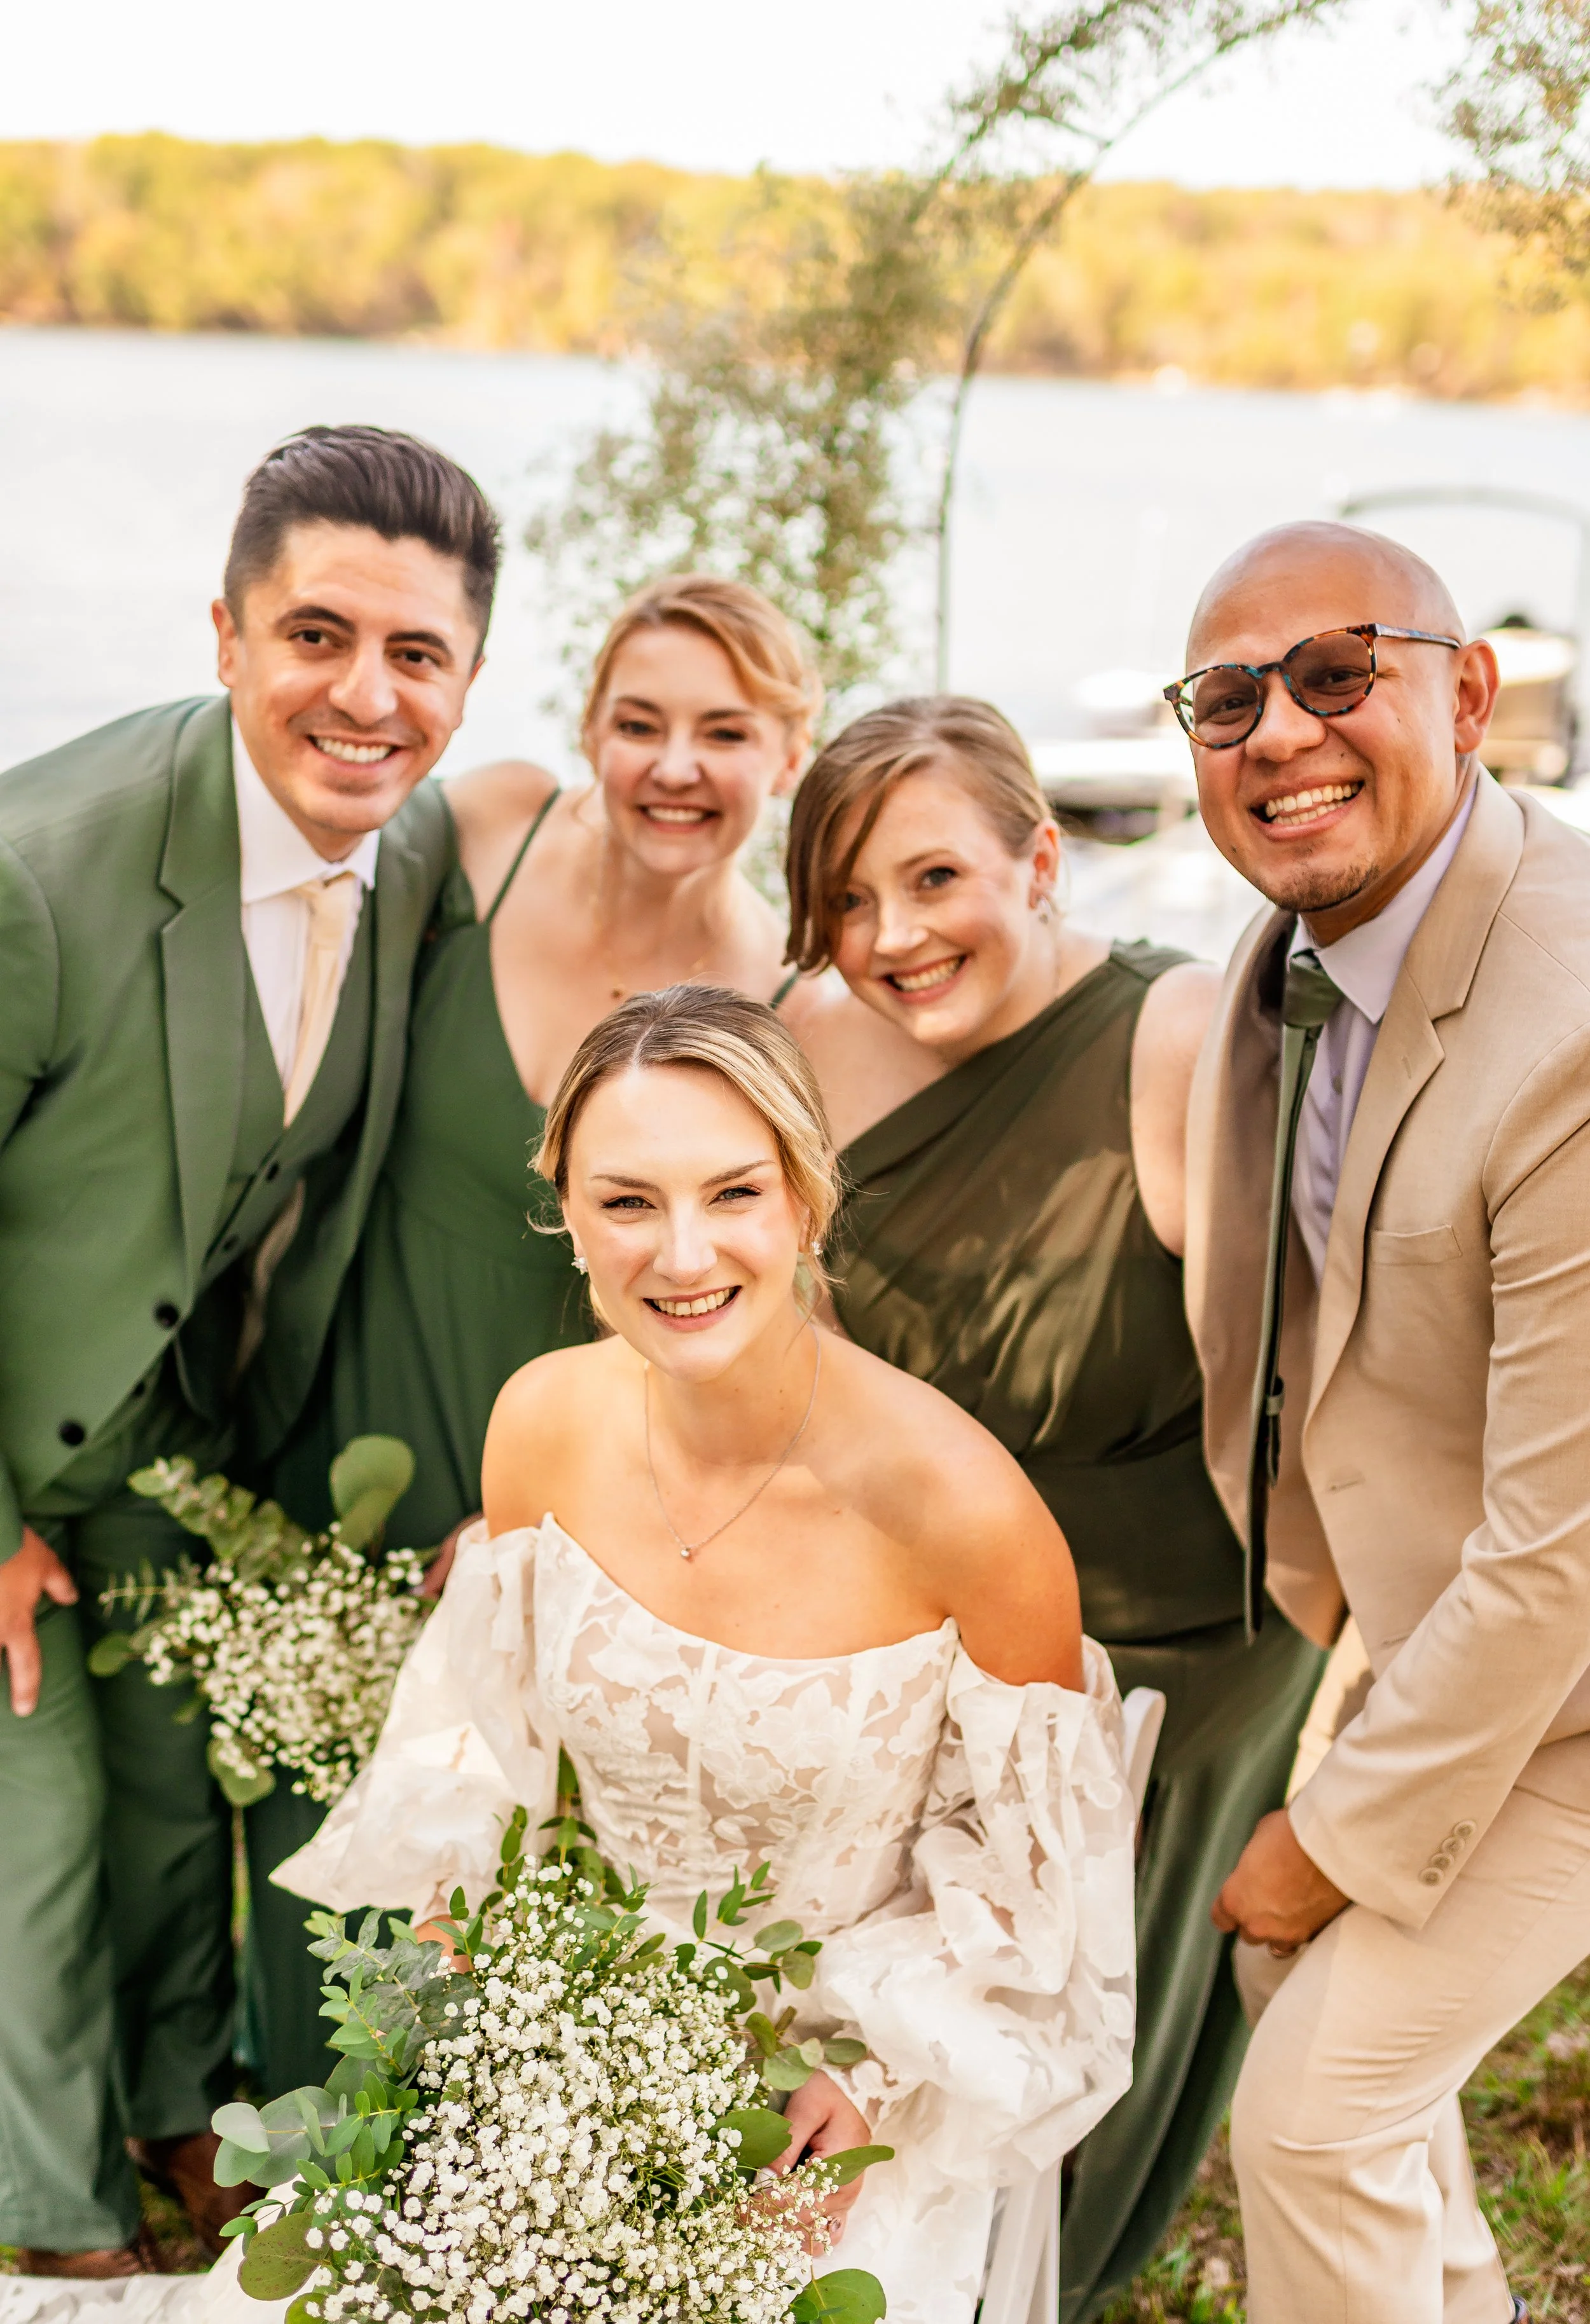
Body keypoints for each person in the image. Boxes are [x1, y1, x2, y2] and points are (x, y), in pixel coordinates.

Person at [265, 984, 1137, 2324]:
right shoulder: (540, 1424)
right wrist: (480, 1979)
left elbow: (1031, 1890)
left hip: (832, 2098)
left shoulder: (965, 1511)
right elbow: (497, 1746)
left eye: (734, 1193)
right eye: (627, 1202)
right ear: (566, 1214)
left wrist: (869, 2081)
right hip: (565, 2050)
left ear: (807, 1199)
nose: (682, 1256)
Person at [0, 424, 495, 2275]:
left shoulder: (416, 842)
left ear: (467, 678)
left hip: (157, 1426)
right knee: (38, 1818)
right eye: (315, 636)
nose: (366, 696)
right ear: (224, 636)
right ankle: (52, 2228)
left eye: (417, 653)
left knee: (158, 1789)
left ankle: (172, 2113)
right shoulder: (38, 872)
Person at [779, 697, 1325, 2321]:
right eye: (848, 899)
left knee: (1040, 2082)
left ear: (1037, 862)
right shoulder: (807, 1042)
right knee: (855, 2024)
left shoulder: (1168, 1039)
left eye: (934, 879)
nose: (891, 937)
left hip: (1163, 1646)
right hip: (917, 1628)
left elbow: (1324, 1374)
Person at [254, 575, 819, 2096]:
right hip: (355, 1405)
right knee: (299, 1801)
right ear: (585, 729)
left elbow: (739, 1291)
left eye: (724, 732)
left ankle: (432, 2161)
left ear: (787, 751)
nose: (674, 766)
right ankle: (267, 2137)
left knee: (488, 1850)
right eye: (638, 724)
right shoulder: (488, 832)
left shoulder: (786, 991)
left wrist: (548, 1522)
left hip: (565, 1486)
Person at [1181, 519, 1590, 2324]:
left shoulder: (1570, 1025)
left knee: (1314, 2116)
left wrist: (1326, 1836)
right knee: (1312, 2019)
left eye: (1335, 673)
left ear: (1470, 696)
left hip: (1567, 1651)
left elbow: (1564, 1553)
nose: (1278, 730)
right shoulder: (1295, 941)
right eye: (1226, 698)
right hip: (1456, 1633)